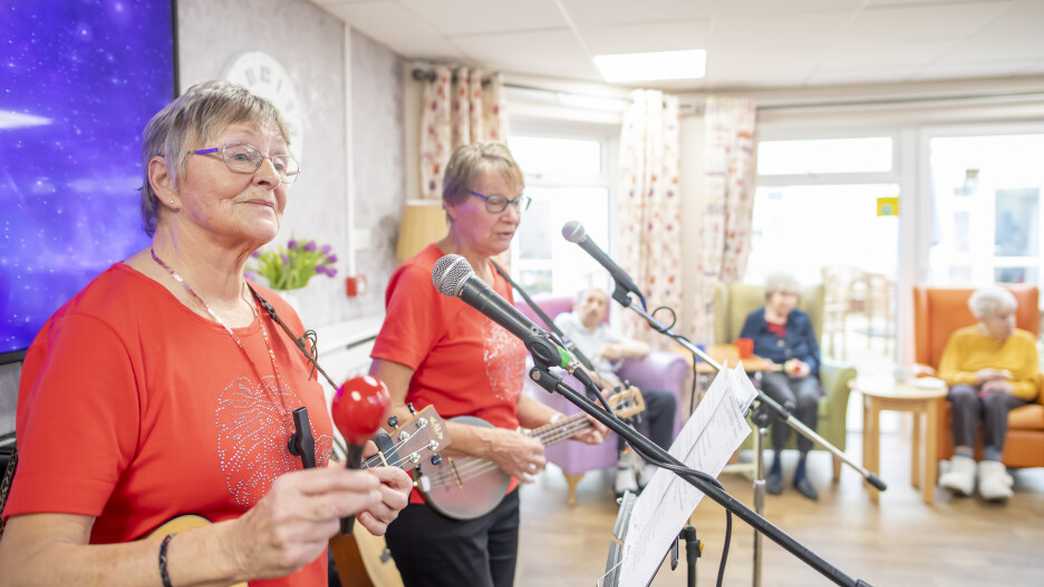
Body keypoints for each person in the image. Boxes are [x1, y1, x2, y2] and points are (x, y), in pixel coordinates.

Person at [0, 81, 411, 586]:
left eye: (280, 163)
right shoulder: (95, 334)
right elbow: (26, 569)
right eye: (242, 155)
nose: (269, 177)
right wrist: (230, 549)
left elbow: (286, 465)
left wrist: (350, 484)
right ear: (165, 180)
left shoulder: (280, 314)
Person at [370, 142, 606, 587]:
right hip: (434, 498)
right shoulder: (423, 280)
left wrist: (566, 421)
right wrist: (493, 446)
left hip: (498, 488)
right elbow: (385, 411)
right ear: (451, 204)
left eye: (517, 201)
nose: (512, 215)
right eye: (495, 201)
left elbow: (503, 395)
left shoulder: (497, 279)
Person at [553, 287, 678, 496]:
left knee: (665, 401)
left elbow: (643, 349)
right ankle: (624, 469)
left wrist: (617, 350)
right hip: (588, 392)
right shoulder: (566, 324)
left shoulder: (604, 332)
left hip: (615, 388)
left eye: (601, 303)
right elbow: (554, 357)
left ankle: (652, 465)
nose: (595, 307)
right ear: (577, 305)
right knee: (624, 402)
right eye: (590, 300)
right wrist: (589, 374)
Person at [936, 286, 1038, 501]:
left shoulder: (1026, 341)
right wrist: (978, 377)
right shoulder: (961, 338)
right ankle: (962, 465)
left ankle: (993, 468)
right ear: (982, 318)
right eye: (1002, 317)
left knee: (995, 398)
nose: (1010, 321)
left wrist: (1009, 387)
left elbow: (1032, 385)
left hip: (1007, 394)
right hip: (970, 390)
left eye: (1012, 315)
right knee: (963, 395)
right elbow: (946, 375)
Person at [739, 273, 822, 501]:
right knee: (785, 402)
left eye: (792, 296)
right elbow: (743, 352)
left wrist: (807, 366)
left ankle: (802, 469)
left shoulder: (802, 320)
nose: (787, 301)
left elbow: (815, 354)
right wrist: (760, 362)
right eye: (782, 295)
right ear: (770, 295)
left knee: (809, 399)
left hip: (800, 375)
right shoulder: (755, 319)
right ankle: (775, 463)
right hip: (771, 375)